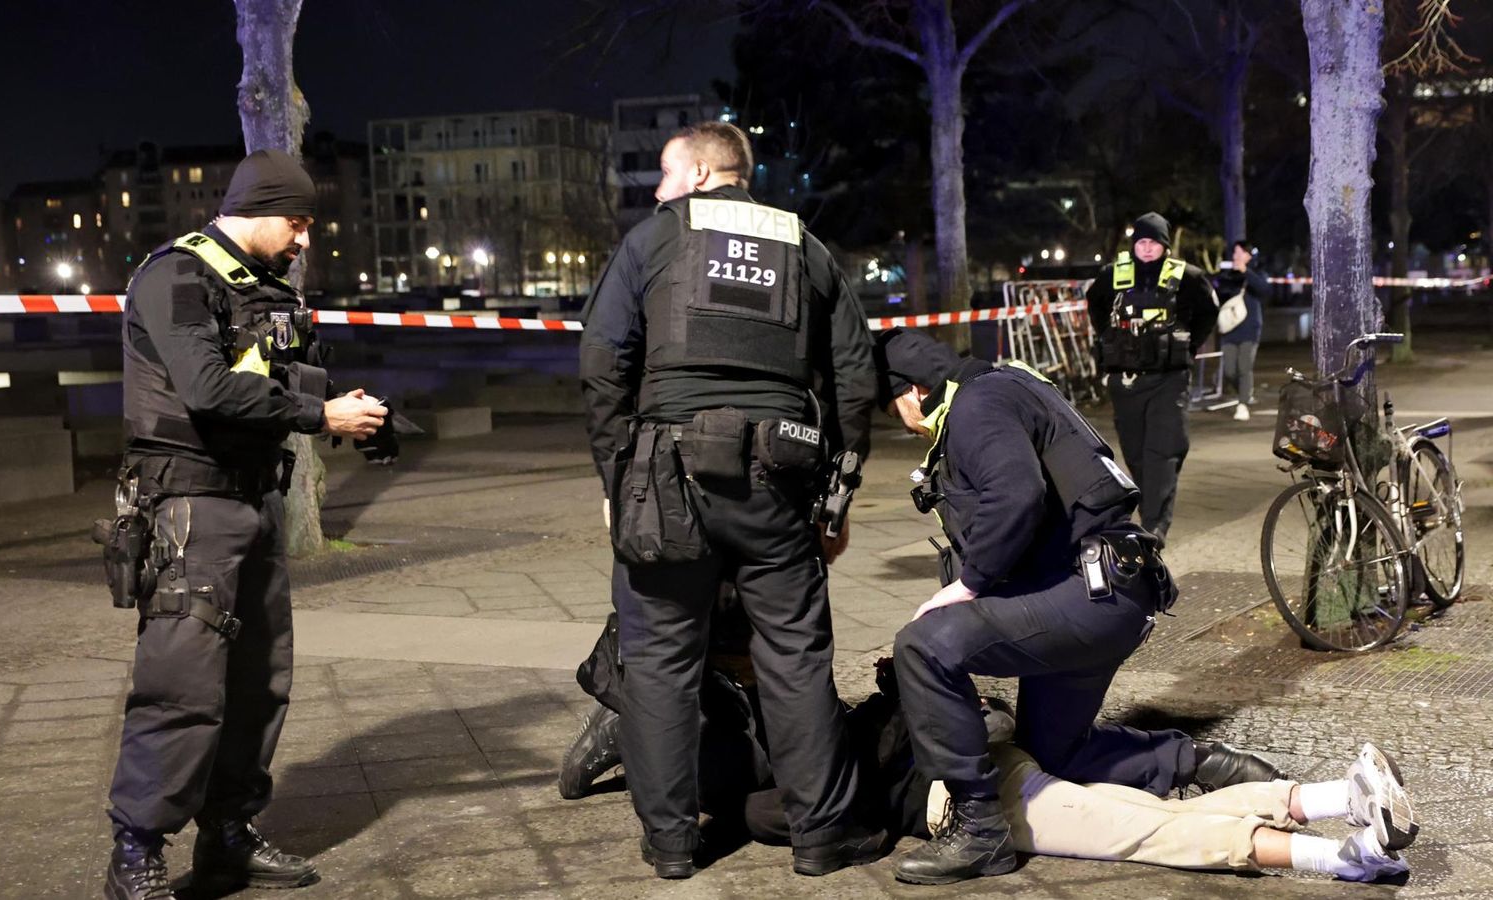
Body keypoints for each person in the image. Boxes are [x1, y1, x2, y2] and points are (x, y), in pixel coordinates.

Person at [578, 121, 881, 879]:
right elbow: (853, 373)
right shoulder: (806, 248)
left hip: (666, 475)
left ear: (707, 173)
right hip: (779, 477)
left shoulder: (655, 240)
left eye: (666, 174)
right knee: (796, 656)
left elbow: (601, 356)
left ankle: (673, 845)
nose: (656, 190)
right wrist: (837, 494)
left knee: (658, 662)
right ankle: (820, 837)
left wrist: (621, 474)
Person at [874, 327, 1281, 885]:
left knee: (922, 645)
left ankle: (979, 832)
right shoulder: (1009, 384)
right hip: (1110, 587)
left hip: (1088, 595)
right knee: (1053, 756)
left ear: (913, 392)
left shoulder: (975, 405)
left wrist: (968, 584)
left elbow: (1016, 494)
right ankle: (1202, 763)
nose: (901, 423)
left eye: (892, 406)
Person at [101, 149, 389, 900]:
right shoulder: (176, 276)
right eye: (295, 223)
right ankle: (136, 850)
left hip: (255, 500)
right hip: (191, 506)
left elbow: (284, 379)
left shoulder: (263, 287)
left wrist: (360, 418)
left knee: (261, 684)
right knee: (182, 684)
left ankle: (227, 834)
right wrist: (317, 414)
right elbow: (205, 388)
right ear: (258, 209)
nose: (302, 240)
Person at [559, 668, 1417, 884]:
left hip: (972, 792)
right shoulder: (802, 746)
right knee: (1116, 807)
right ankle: (1338, 799)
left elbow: (827, 820)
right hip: (981, 767)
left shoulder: (774, 790)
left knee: (1132, 830)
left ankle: (1334, 857)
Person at [1086, 212, 1219, 541]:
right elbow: (1095, 303)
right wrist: (1108, 338)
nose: (1146, 248)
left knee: (1164, 449)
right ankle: (1150, 511)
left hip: (1168, 377)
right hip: (1127, 379)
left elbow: (1209, 311)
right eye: (1141, 242)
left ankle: (1156, 525)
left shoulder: (1186, 276)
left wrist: (1188, 347)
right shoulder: (1113, 275)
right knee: (1134, 451)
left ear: (1164, 245)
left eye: (1153, 243)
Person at [1214, 239, 1270, 421]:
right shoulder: (1229, 275)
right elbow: (1220, 294)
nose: (1236, 256)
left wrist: (1247, 273)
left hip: (1250, 328)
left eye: (1240, 253)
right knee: (1229, 371)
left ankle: (1243, 404)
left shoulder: (1257, 273)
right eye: (1235, 253)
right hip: (1229, 328)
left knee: (1244, 367)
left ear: (1248, 255)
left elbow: (1265, 290)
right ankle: (1245, 392)